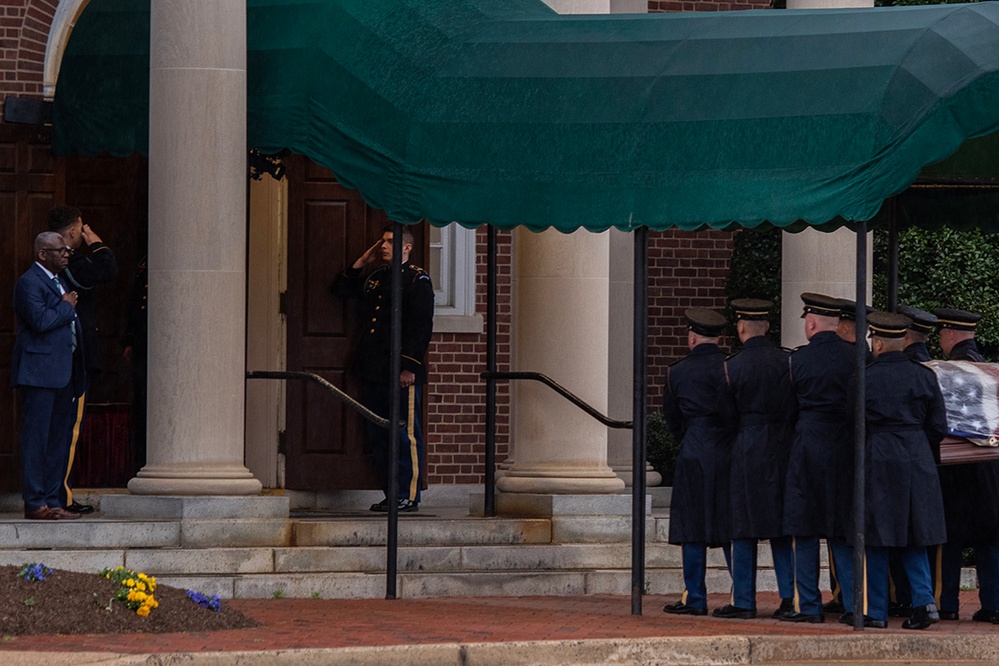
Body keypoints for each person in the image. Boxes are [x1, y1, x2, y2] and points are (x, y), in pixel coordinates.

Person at [847, 311, 946, 630]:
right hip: (917, 457)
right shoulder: (924, 376)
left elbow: (852, 425)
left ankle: (876, 611)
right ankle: (924, 602)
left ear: (876, 342)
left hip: (878, 456)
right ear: (904, 341)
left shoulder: (863, 377)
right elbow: (939, 426)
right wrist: (915, 442)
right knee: (915, 534)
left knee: (876, 536)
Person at [333, 226, 434, 513]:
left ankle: (408, 495)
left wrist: (409, 366)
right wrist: (362, 262)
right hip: (373, 368)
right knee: (379, 434)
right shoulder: (377, 278)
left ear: (407, 247)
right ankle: (392, 494)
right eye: (383, 241)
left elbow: (421, 327)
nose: (384, 246)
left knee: (405, 434)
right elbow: (341, 290)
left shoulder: (417, 278)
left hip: (400, 369)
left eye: (391, 241)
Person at [717, 299, 796, 620]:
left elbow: (725, 416)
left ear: (740, 327)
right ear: (767, 327)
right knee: (781, 528)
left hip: (746, 448)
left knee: (743, 527)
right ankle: (790, 597)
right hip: (782, 449)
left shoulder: (731, 366)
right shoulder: (787, 362)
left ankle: (745, 601)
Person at [780, 293, 856, 624]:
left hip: (807, 445)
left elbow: (786, 409)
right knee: (842, 530)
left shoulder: (797, 360)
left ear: (811, 323)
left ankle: (808, 605)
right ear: (837, 324)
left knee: (804, 528)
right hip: (844, 447)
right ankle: (854, 605)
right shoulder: (857, 357)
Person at [662, 308, 734, 616]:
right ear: (718, 338)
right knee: (732, 524)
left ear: (692, 337)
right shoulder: (729, 367)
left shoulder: (677, 371)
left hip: (694, 446)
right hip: (727, 449)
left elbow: (671, 416)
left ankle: (695, 596)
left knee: (692, 525)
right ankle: (740, 594)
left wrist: (691, 434)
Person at [10, 231, 86, 520]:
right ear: (43, 254)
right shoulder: (28, 283)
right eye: (61, 250)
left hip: (64, 373)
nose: (67, 254)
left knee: (57, 441)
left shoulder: (60, 281)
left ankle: (54, 500)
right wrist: (66, 306)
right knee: (37, 440)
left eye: (67, 250)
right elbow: (41, 321)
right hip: (39, 374)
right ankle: (35, 502)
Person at [48, 205, 117, 514]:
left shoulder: (57, 262)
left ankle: (57, 493)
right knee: (69, 429)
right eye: (80, 230)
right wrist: (96, 242)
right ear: (74, 231)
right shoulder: (70, 261)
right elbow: (107, 270)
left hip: (66, 357)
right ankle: (60, 496)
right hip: (74, 358)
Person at [932, 307, 999, 623]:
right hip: (989, 465)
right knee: (991, 536)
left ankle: (947, 605)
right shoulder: (989, 369)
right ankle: (994, 604)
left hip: (956, 466)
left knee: (950, 539)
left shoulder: (945, 370)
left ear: (949, 334)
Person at [121, 255, 149, 471]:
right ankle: (140, 460)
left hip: (158, 345)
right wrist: (129, 339)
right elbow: (135, 305)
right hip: (142, 346)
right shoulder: (144, 268)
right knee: (141, 404)